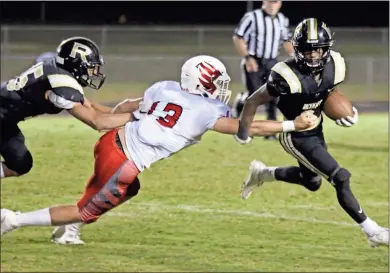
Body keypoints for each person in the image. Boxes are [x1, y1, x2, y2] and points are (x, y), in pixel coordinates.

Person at [1, 55, 318, 244]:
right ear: (201, 82)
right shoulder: (206, 112)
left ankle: (68, 229)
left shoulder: (164, 87)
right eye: (215, 82)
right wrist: (292, 125)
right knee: (87, 209)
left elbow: (129, 105)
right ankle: (14, 220)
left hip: (111, 143)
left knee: (131, 189)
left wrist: (103, 114)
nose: (219, 88)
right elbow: (249, 127)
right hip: (123, 161)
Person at [234, 18, 389, 247]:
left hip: (316, 129)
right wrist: (243, 133)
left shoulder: (335, 63)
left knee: (312, 182)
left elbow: (328, 91)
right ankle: (373, 231)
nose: (314, 55)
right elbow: (252, 100)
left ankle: (263, 173)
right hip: (295, 134)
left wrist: (347, 110)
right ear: (297, 49)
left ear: (327, 49)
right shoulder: (285, 75)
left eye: (318, 50)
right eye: (307, 50)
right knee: (340, 177)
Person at [0, 36, 140, 180]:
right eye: (90, 68)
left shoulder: (58, 71)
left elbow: (91, 107)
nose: (93, 73)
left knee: (20, 164)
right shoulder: (61, 84)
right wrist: (134, 118)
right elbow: (97, 122)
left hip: (6, 119)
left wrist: (134, 108)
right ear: (76, 64)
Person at [232, 0, 294, 140]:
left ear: (280, 3)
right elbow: (238, 37)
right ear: (264, 2)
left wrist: (296, 57)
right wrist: (248, 58)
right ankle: (246, 129)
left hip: (272, 62)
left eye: (275, 2)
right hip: (255, 60)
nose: (273, 5)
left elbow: (286, 40)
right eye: (270, 2)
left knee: (274, 95)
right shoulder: (252, 17)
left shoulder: (282, 19)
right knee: (254, 96)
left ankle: (270, 132)